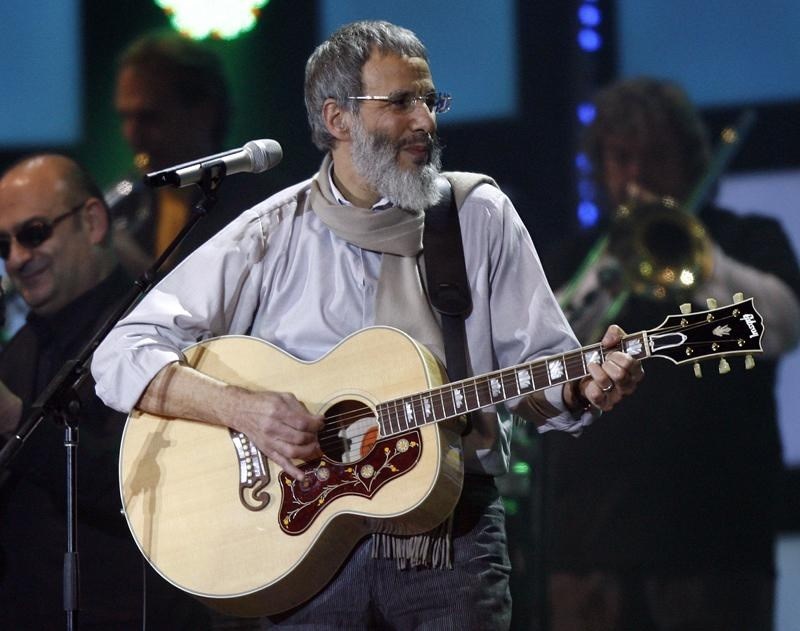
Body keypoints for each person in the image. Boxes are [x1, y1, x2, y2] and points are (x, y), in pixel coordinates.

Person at [90, 21, 644, 629]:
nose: (425, 123)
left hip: (450, 540)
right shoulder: (269, 234)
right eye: (401, 103)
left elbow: (540, 370)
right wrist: (242, 411)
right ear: (337, 118)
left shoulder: (474, 215)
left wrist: (579, 386)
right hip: (299, 550)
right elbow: (120, 352)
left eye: (430, 100)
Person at [545, 77, 800, 631]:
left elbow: (780, 327)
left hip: (718, 550)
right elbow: (543, 359)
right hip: (590, 549)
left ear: (689, 159)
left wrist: (698, 259)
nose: (637, 175)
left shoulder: (748, 237)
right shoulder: (578, 260)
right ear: (603, 169)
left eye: (656, 155)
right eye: (621, 158)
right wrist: (607, 268)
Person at [0, 154, 210, 629]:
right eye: (3, 243)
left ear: (93, 222)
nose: (16, 258)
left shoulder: (155, 333)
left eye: (33, 233)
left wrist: (13, 417)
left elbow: (151, 486)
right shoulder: (19, 349)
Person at [108, 31, 274, 276]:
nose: (131, 135)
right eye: (125, 117)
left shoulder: (262, 208)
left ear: (203, 113)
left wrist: (131, 258)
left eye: (149, 117)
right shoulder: (130, 205)